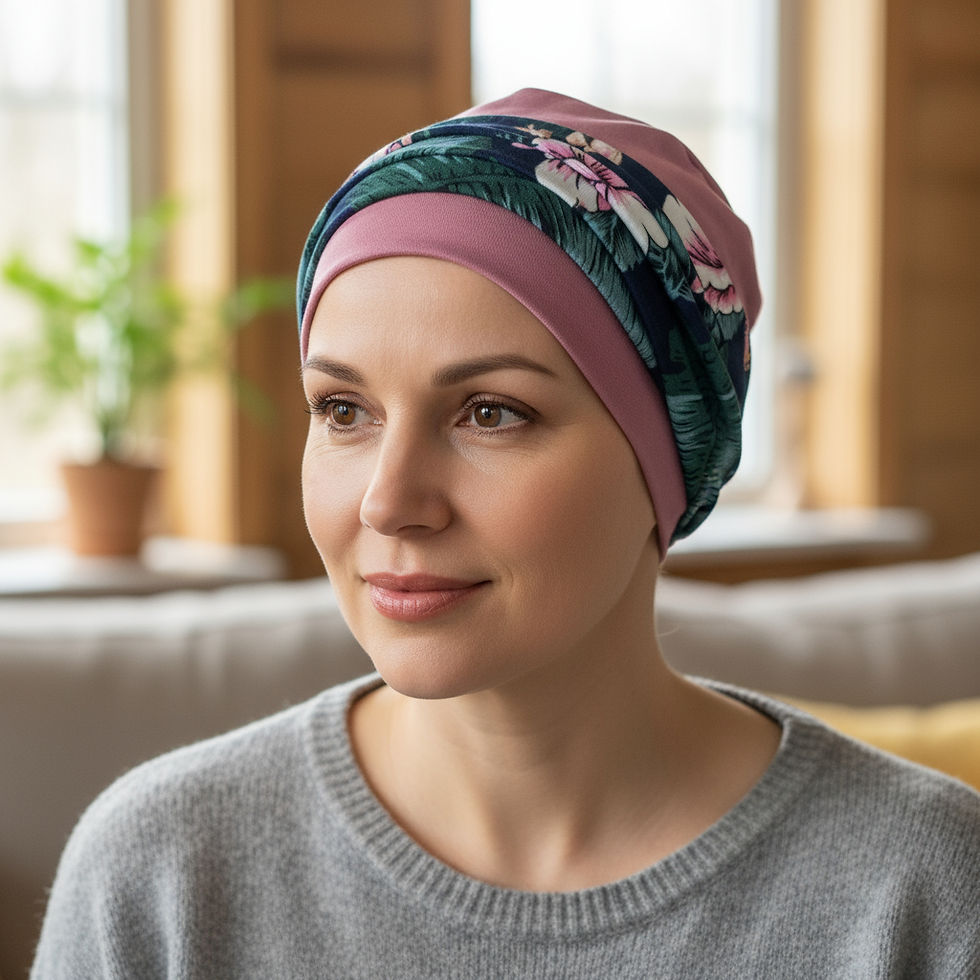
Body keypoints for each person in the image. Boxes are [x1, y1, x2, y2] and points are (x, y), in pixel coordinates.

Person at [33, 89, 979, 978]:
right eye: (343, 409)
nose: (389, 502)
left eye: (491, 412)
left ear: (669, 456)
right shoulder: (160, 877)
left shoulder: (927, 892)